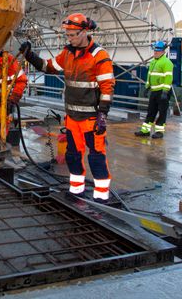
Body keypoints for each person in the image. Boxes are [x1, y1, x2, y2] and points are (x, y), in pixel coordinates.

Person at [20, 13, 115, 202]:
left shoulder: (99, 56)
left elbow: (107, 87)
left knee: (96, 157)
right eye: (67, 35)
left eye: (73, 34)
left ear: (85, 32)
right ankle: (76, 190)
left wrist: (102, 115)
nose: (69, 38)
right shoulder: (67, 53)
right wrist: (29, 55)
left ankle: (102, 196)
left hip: (91, 119)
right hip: (72, 117)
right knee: (73, 155)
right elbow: (48, 67)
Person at [135, 41, 174, 139]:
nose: (155, 52)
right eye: (155, 51)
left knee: (162, 112)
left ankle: (159, 132)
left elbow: (168, 78)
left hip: (162, 91)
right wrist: (147, 87)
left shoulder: (167, 63)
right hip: (154, 91)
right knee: (151, 111)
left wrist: (165, 91)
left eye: (158, 51)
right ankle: (145, 130)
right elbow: (149, 76)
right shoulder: (153, 62)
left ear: (162, 52)